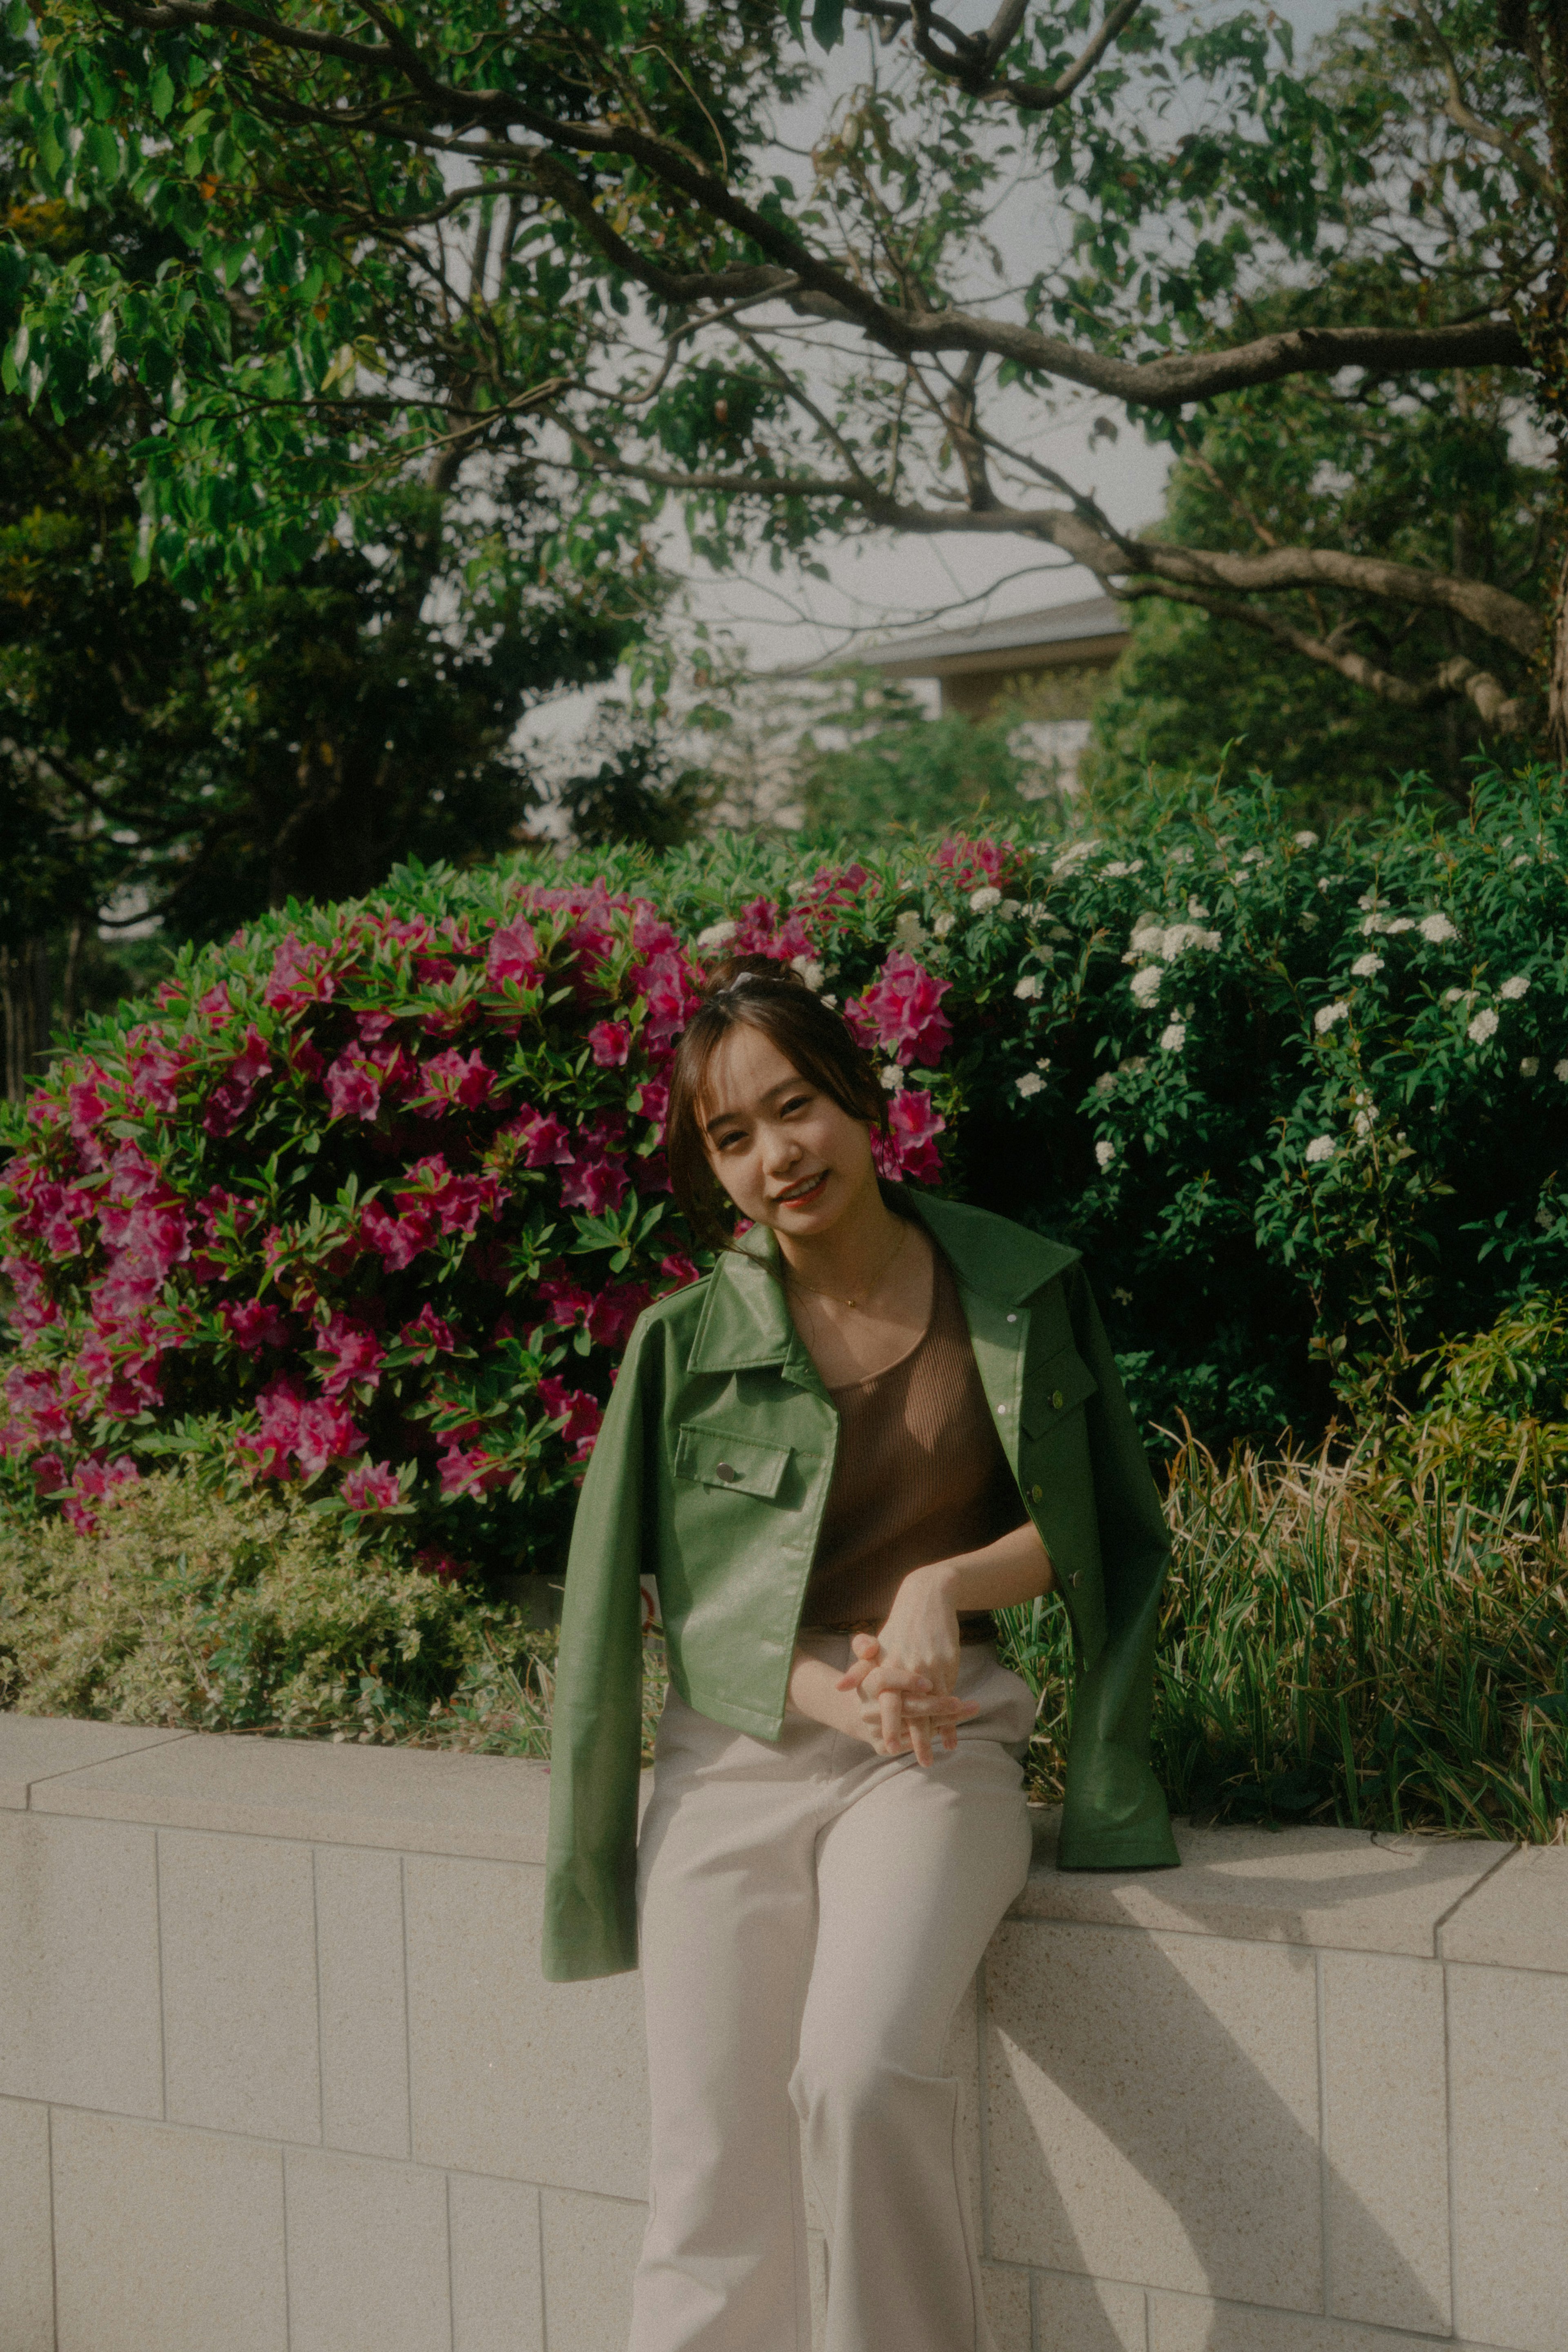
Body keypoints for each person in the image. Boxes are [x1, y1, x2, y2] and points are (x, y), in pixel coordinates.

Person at [541, 954, 1178, 2352]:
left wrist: (939, 1591)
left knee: (860, 2074)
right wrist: (831, 1686)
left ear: (860, 1099)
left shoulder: (1014, 1287)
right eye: (731, 1137)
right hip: (739, 1753)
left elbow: (1083, 1525)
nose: (777, 1155)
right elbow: (686, 1595)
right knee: (709, 2163)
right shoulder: (685, 1343)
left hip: (943, 1742)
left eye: (796, 1108)